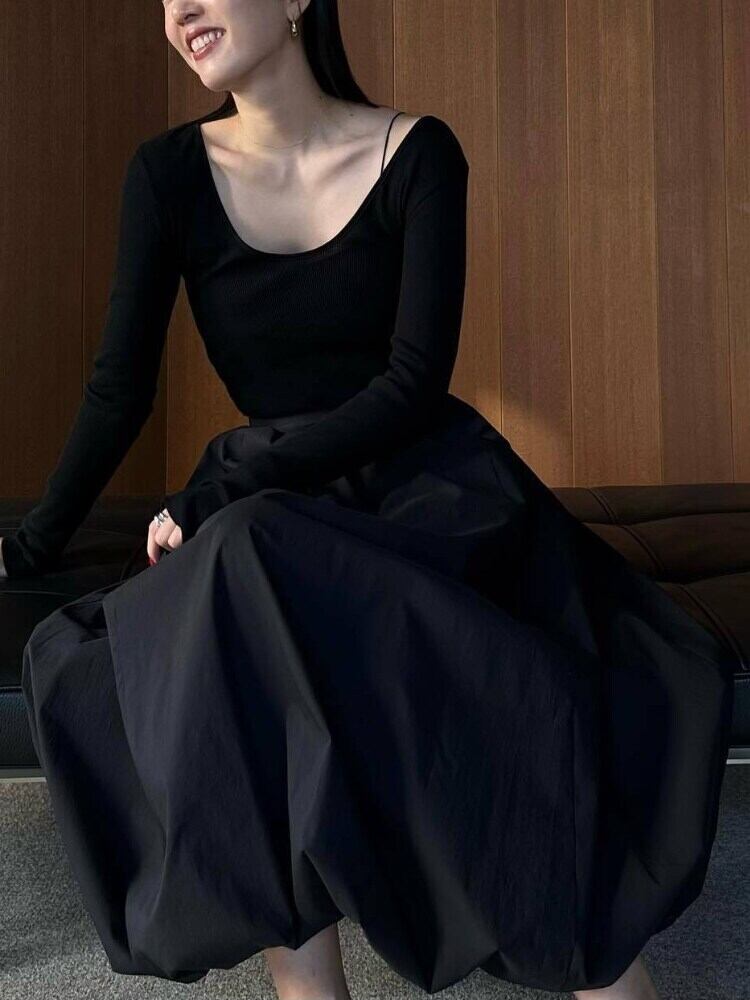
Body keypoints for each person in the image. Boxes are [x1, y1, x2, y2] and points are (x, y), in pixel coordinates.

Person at [10, 2, 734, 999]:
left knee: (272, 572)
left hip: (426, 489)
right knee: (234, 587)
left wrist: (229, 484)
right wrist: (29, 544)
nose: (181, 7)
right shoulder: (167, 174)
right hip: (273, 508)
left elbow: (410, 385)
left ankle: (596, 961)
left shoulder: (417, 153)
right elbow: (117, 389)